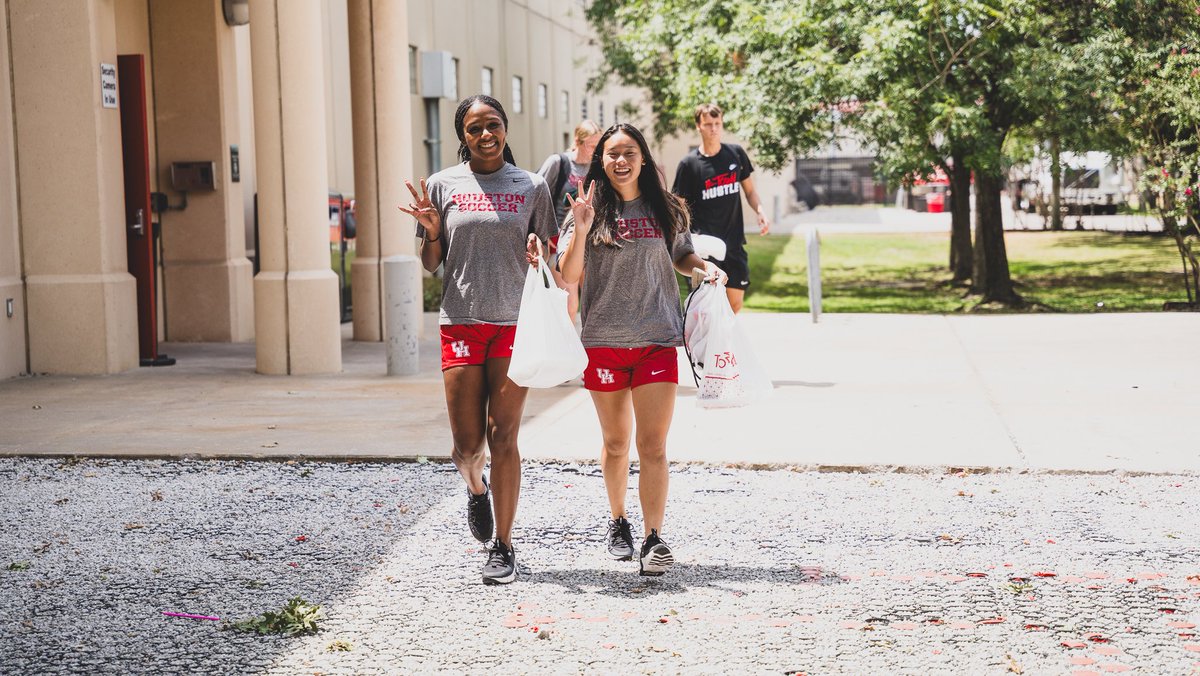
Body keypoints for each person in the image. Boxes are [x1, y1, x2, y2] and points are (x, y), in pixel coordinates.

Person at [399, 94, 556, 585]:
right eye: (474, 129)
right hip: (461, 322)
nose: (485, 135)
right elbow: (431, 263)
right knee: (467, 447)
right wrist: (429, 232)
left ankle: (503, 546)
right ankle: (474, 488)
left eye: (493, 125)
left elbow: (549, 254)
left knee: (504, 435)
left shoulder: (532, 186)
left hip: (515, 325)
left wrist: (539, 252)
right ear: (463, 137)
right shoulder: (444, 185)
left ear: (505, 129)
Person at [556, 123, 726, 576]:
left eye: (629, 152)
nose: (620, 160)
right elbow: (567, 276)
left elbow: (681, 253)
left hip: (656, 339)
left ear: (643, 158)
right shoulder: (585, 210)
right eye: (611, 153)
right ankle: (618, 521)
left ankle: (653, 537)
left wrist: (701, 267)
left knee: (652, 445)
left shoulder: (665, 207)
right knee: (615, 444)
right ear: (601, 161)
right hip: (604, 342)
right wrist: (582, 225)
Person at [672, 103, 772, 313]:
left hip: (733, 244)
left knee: (734, 305)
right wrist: (684, 238)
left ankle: (724, 346)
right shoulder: (689, 165)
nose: (714, 128)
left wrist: (760, 211)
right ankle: (705, 346)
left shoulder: (735, 154)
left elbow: (750, 191)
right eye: (708, 124)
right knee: (707, 310)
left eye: (717, 123)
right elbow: (678, 207)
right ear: (698, 126)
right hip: (704, 249)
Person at [536, 120, 603, 319]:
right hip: (561, 240)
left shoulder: (597, 167)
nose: (595, 151)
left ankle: (590, 348)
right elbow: (535, 194)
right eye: (591, 145)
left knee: (596, 303)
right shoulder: (559, 163)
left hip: (591, 241)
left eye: (598, 146)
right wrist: (544, 231)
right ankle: (567, 348)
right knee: (569, 304)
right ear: (578, 141)